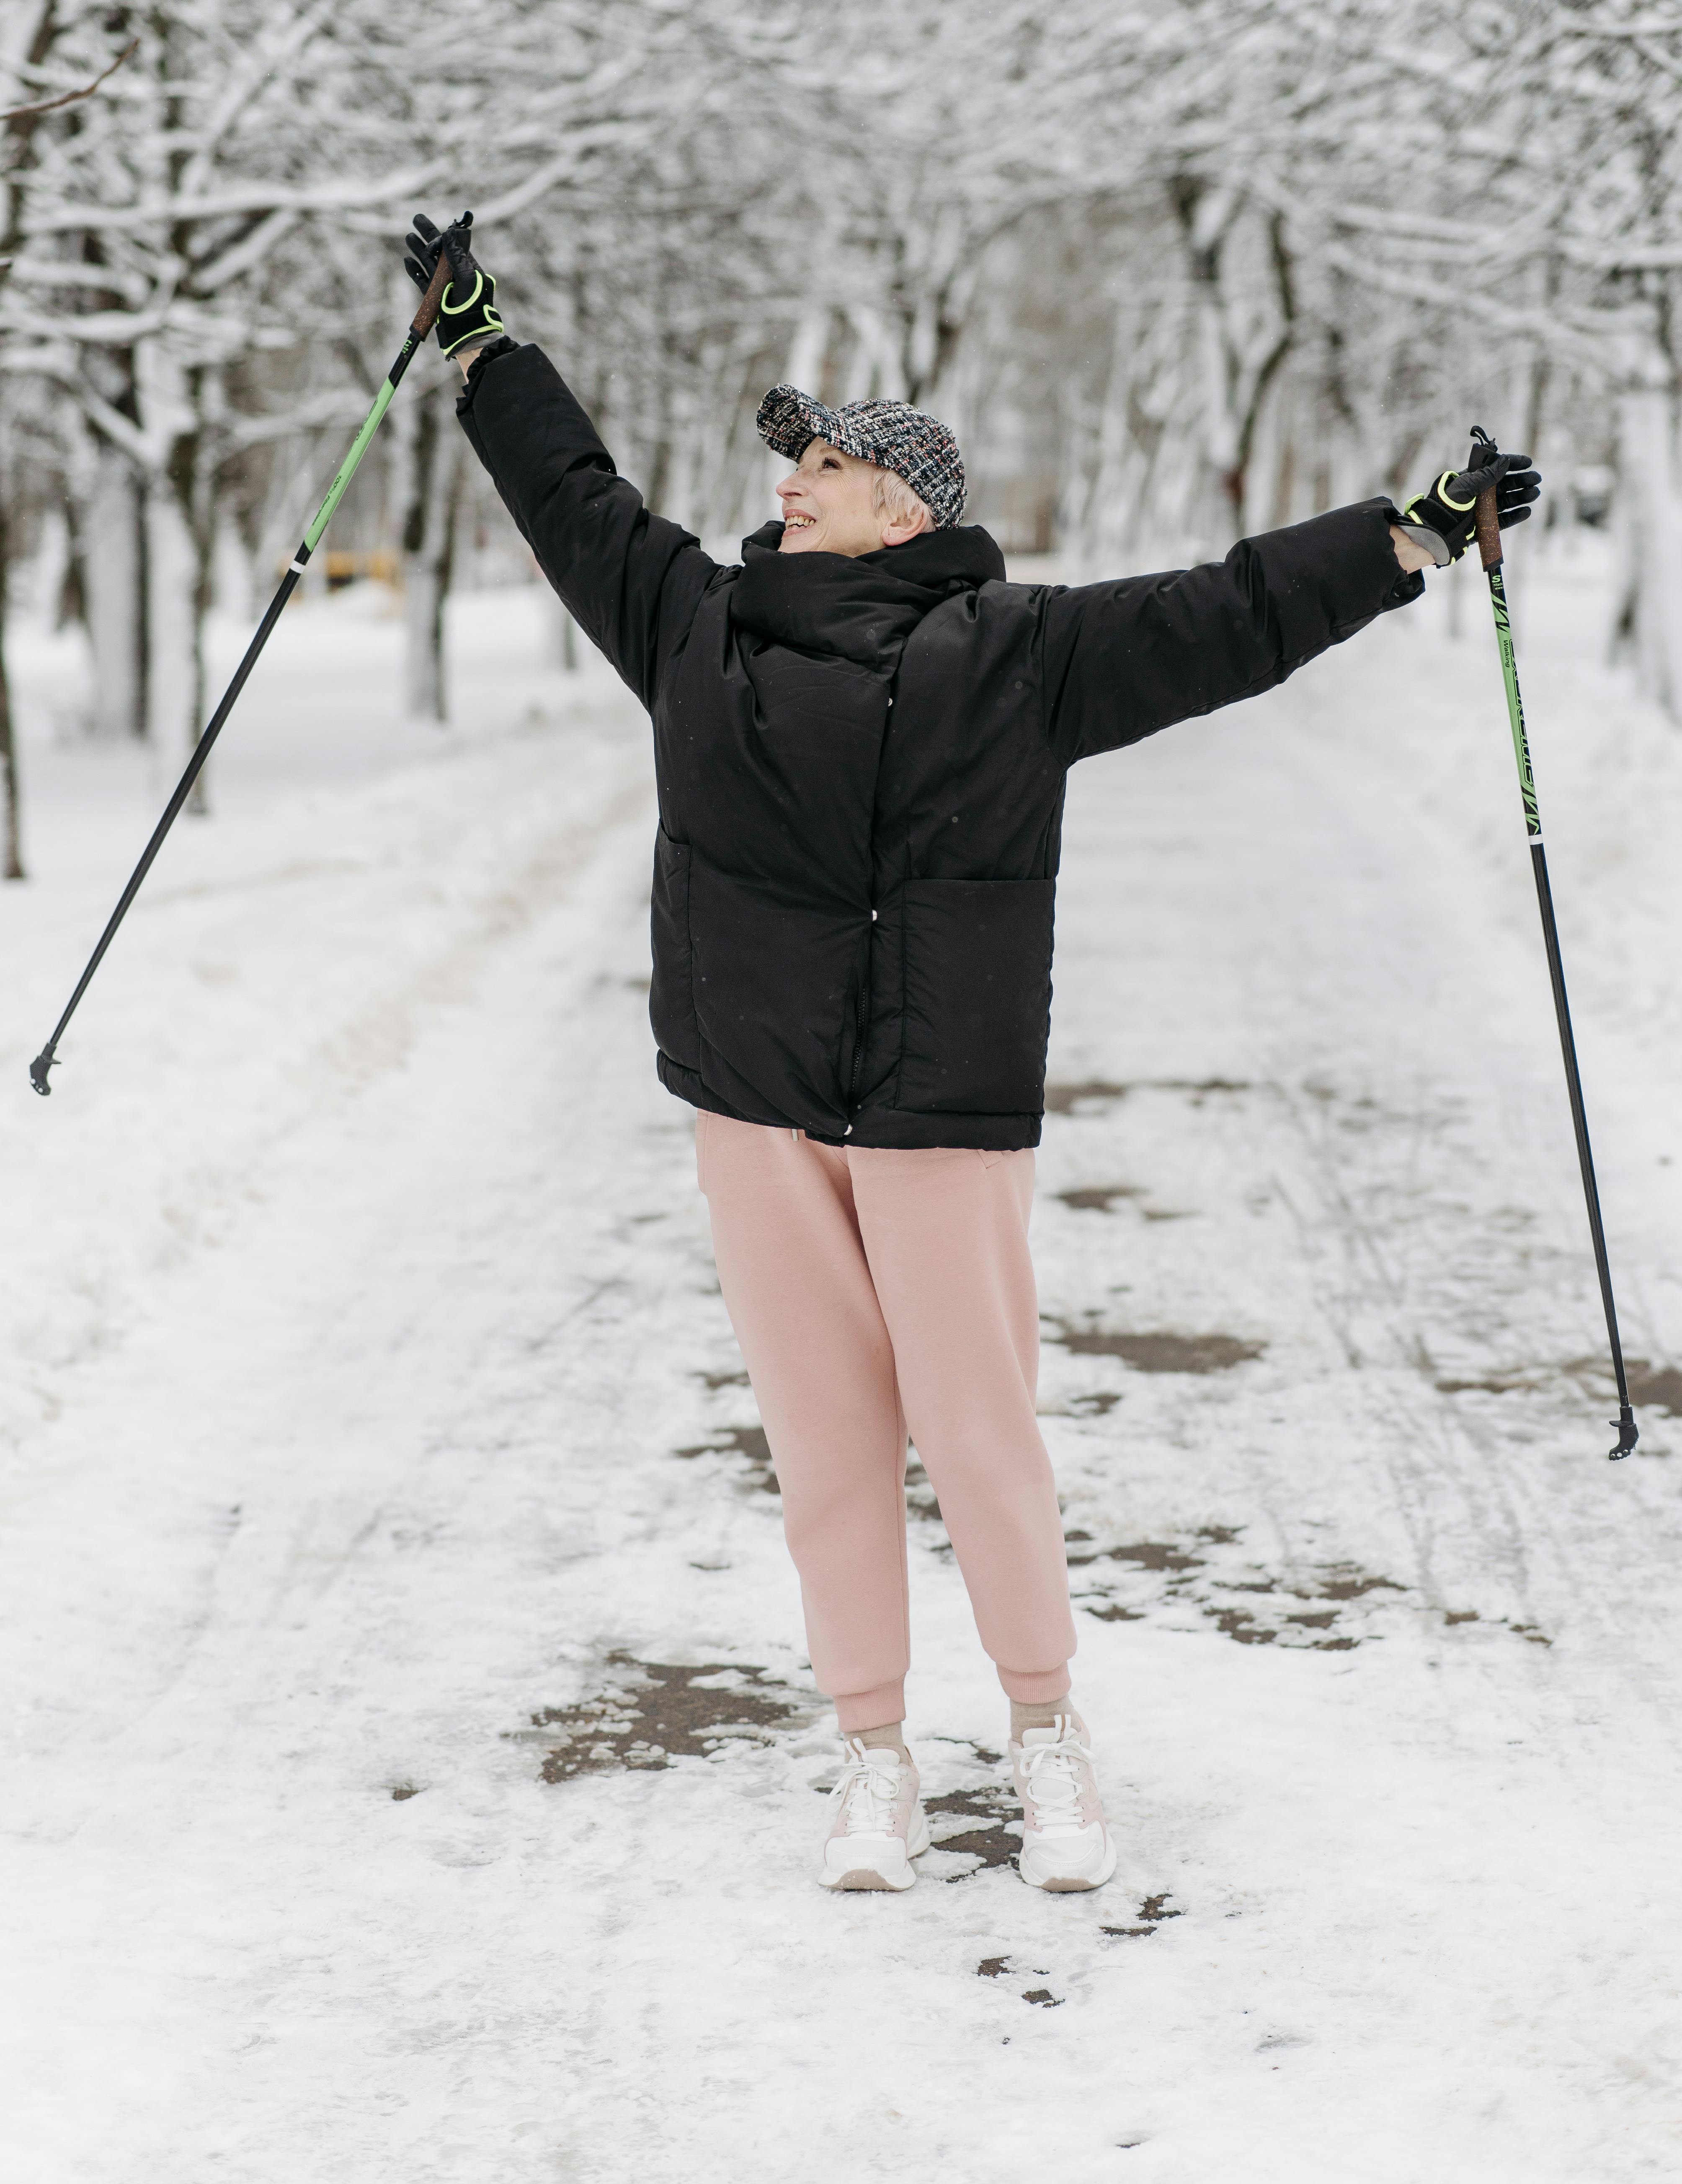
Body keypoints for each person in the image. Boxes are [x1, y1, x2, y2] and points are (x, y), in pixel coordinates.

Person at [404, 213, 1539, 1896]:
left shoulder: (1021, 654)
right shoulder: (691, 626)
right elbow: (574, 497)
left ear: (906, 505)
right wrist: (485, 346)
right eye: (793, 464)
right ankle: (871, 1752)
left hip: (939, 1105)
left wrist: (1411, 538)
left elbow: (1227, 613)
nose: (789, 481)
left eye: (828, 465)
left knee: (976, 1427)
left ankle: (1042, 1726)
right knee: (822, 1441)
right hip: (757, 1102)